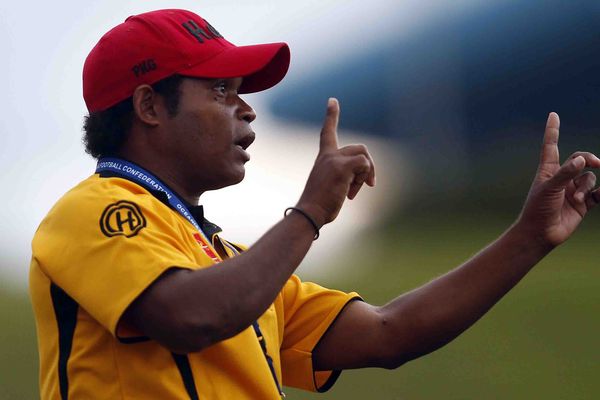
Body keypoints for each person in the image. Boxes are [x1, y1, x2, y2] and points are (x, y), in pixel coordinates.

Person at [29, 8, 600, 400]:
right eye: (222, 90)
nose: (247, 108)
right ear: (150, 106)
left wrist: (529, 236)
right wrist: (308, 216)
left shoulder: (226, 260)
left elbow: (389, 331)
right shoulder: (92, 210)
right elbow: (191, 316)